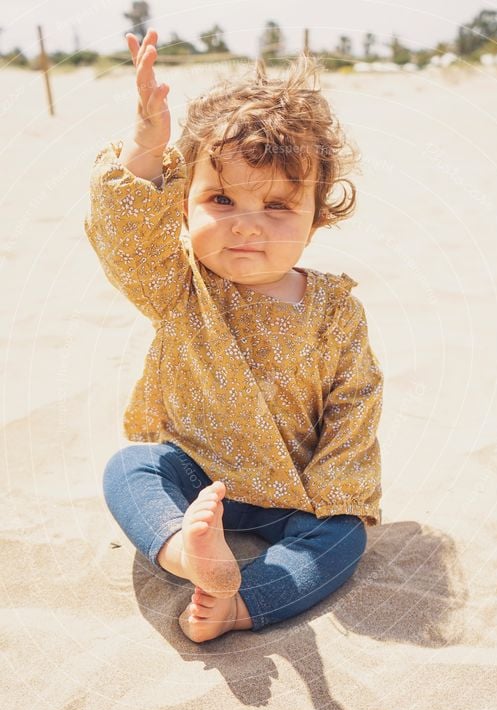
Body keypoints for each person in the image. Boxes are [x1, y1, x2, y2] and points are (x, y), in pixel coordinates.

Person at [85, 28, 383, 643]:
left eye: (278, 206)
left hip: (292, 488)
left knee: (345, 534)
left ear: (317, 216)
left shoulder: (334, 310)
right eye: (221, 198)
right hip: (195, 471)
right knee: (131, 467)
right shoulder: (179, 284)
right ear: (185, 204)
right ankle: (183, 552)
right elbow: (123, 236)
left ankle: (243, 601)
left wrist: (332, 494)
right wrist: (146, 146)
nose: (247, 227)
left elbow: (355, 403)